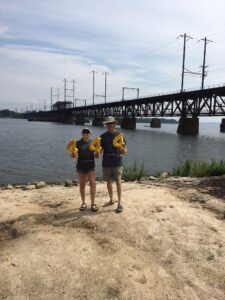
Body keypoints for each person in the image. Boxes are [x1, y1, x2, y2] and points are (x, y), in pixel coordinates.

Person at [100, 116, 128, 213]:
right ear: (106, 125)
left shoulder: (120, 135)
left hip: (117, 162)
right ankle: (111, 199)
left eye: (111, 123)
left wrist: (123, 150)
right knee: (108, 182)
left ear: (114, 124)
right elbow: (99, 151)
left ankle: (119, 203)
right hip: (106, 162)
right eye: (107, 124)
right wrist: (96, 153)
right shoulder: (102, 137)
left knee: (118, 182)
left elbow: (125, 150)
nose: (109, 125)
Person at [74, 128, 98, 212]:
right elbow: (74, 155)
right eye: (84, 132)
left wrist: (98, 152)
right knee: (82, 184)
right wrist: (72, 154)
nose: (85, 133)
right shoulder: (77, 143)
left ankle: (93, 204)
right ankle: (83, 203)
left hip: (91, 166)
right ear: (82, 134)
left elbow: (96, 156)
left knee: (92, 184)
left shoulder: (94, 142)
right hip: (81, 166)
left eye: (87, 132)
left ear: (90, 134)